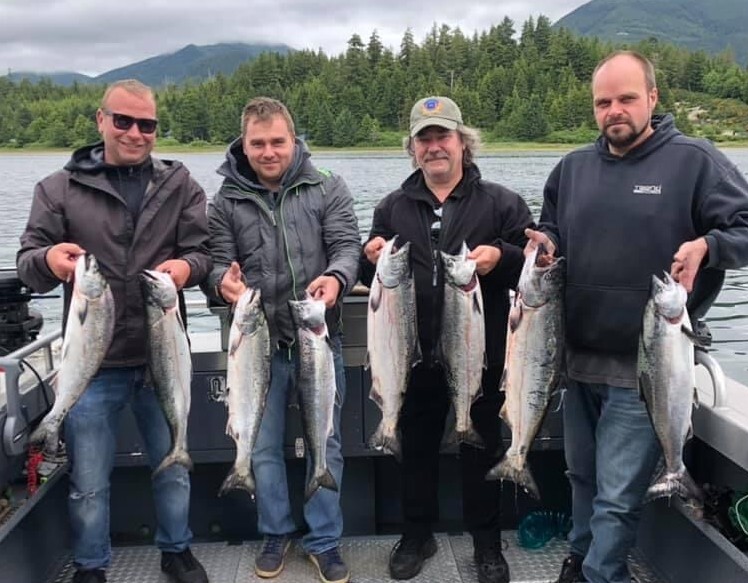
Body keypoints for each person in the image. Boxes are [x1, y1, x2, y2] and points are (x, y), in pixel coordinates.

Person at [525, 50, 748, 583]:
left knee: (618, 495)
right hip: (577, 361)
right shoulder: (572, 168)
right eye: (603, 102)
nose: (614, 110)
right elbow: (554, 228)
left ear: (653, 98)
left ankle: (602, 575)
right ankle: (579, 560)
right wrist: (546, 245)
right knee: (581, 477)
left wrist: (708, 245)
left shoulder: (694, 160)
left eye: (626, 98)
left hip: (648, 367)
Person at [16, 79, 212, 583]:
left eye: (147, 124)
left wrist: (187, 268)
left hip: (161, 357)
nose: (134, 133)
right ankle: (91, 565)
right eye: (123, 121)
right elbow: (28, 263)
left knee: (173, 467)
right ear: (101, 120)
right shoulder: (57, 189)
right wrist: (49, 259)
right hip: (92, 368)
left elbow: (203, 253)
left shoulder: (180, 184)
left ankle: (176, 549)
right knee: (88, 481)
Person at [360, 96, 535, 583]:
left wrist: (501, 256)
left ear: (463, 142)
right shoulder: (392, 207)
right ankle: (417, 535)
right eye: (424, 139)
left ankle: (487, 544)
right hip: (410, 357)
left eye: (443, 136)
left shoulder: (502, 203)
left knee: (482, 449)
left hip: (481, 355)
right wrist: (368, 255)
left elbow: (534, 265)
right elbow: (371, 273)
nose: (434, 146)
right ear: (412, 148)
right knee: (415, 450)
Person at [205, 96, 361, 583]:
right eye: (258, 143)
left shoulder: (327, 186)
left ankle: (325, 540)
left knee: (325, 444)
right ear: (244, 144)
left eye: (277, 141)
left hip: (319, 340)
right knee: (261, 444)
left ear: (294, 140)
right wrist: (222, 281)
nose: (269, 152)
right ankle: (275, 532)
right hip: (256, 347)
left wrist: (337, 277)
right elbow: (215, 262)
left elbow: (347, 246)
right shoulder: (225, 201)